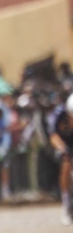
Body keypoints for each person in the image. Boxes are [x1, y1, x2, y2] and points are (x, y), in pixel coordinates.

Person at [49, 94, 73, 225]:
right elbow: (53, 136)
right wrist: (63, 149)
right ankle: (66, 202)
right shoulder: (59, 114)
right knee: (66, 164)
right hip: (63, 144)